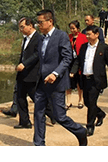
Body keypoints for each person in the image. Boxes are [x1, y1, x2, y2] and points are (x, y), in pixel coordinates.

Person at [33, 9, 87, 146]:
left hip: (56, 83)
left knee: (60, 116)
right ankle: (39, 143)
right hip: (41, 83)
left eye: (40, 22)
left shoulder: (61, 36)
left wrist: (55, 73)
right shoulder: (40, 39)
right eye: (37, 22)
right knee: (38, 114)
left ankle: (80, 131)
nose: (38, 25)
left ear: (50, 21)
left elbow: (67, 58)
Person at [71, 26, 108, 136]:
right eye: (86, 34)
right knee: (87, 102)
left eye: (89, 34)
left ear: (97, 34)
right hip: (85, 78)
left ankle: (89, 126)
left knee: (91, 102)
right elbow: (78, 61)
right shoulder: (84, 47)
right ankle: (100, 113)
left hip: (96, 80)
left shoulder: (104, 48)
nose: (87, 36)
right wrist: (73, 71)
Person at [14, 17, 55, 129]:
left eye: (22, 27)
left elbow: (37, 54)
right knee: (20, 98)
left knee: (37, 98)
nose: (21, 29)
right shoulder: (25, 39)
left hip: (33, 74)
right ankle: (24, 122)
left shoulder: (39, 38)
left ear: (30, 25)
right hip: (22, 74)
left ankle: (53, 115)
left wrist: (25, 64)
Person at [67, 20, 88, 110]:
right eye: (71, 28)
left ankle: (80, 100)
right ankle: (68, 101)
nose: (72, 30)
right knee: (69, 82)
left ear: (78, 28)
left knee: (80, 82)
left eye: (73, 28)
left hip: (79, 61)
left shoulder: (83, 37)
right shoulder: (69, 37)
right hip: (70, 61)